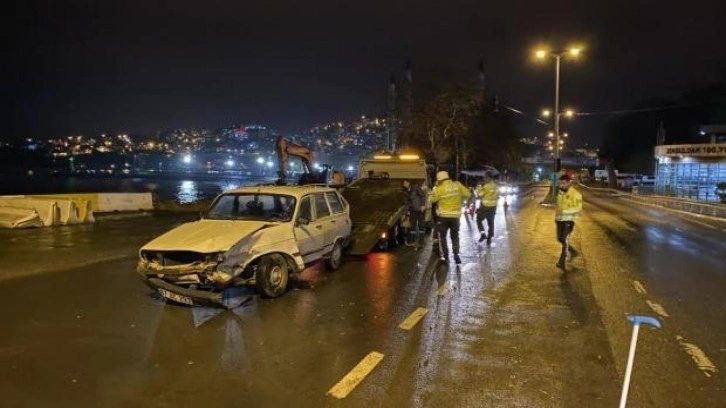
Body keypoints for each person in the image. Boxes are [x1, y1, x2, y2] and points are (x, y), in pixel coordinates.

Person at [428, 170, 471, 264]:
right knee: (455, 236)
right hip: (456, 217)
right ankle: (456, 255)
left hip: (443, 217)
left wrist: (434, 190)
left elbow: (431, 199)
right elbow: (468, 194)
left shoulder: (439, 188)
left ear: (439, 179)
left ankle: (446, 256)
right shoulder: (458, 185)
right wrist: (460, 199)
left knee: (442, 237)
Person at [555, 173, 583, 268]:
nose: (561, 185)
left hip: (569, 221)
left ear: (569, 183)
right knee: (559, 239)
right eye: (560, 183)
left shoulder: (576, 194)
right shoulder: (561, 192)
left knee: (564, 239)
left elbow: (578, 208)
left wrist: (565, 212)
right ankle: (573, 252)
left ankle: (561, 262)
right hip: (559, 220)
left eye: (563, 183)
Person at [475, 172, 499, 246]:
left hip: (485, 206)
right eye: (484, 178)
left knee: (479, 220)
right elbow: (497, 195)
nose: (484, 179)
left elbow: (479, 195)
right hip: (493, 207)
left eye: (485, 177)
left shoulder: (486, 186)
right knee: (491, 222)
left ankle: (483, 234)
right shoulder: (495, 186)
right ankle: (489, 237)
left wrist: (479, 187)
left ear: (489, 178)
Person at [402, 179, 426, 246]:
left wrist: (423, 205)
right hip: (412, 211)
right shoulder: (405, 193)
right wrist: (405, 213)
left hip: (420, 210)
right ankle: (413, 241)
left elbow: (423, 195)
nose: (405, 184)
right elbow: (406, 204)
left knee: (421, 226)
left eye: (406, 182)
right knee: (412, 227)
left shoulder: (415, 187)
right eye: (404, 183)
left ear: (409, 182)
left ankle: (421, 242)